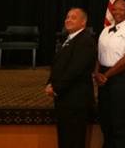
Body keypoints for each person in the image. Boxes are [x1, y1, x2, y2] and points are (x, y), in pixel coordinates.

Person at [95, 0, 125, 148]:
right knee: (105, 119)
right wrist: (97, 73)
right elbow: (98, 55)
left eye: (121, 8)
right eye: (114, 8)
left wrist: (106, 75)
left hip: (122, 78)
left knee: (120, 122)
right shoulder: (105, 30)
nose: (117, 11)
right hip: (103, 78)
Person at [45, 8, 97, 148]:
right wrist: (50, 82)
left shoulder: (86, 40)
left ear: (83, 22)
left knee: (74, 141)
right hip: (65, 98)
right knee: (65, 140)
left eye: (73, 17)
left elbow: (75, 70)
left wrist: (56, 87)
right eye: (67, 17)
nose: (68, 20)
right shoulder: (69, 39)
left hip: (76, 101)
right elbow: (58, 65)